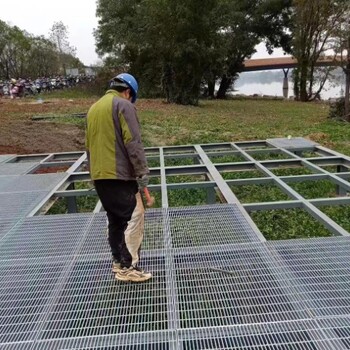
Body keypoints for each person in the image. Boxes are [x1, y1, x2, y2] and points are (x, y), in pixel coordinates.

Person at [85, 73, 151, 282]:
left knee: (115, 219)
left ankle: (117, 262)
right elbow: (133, 141)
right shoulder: (123, 105)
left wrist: (93, 174)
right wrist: (141, 173)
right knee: (134, 214)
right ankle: (128, 267)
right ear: (128, 92)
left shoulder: (93, 109)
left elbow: (88, 145)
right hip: (119, 174)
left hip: (100, 174)